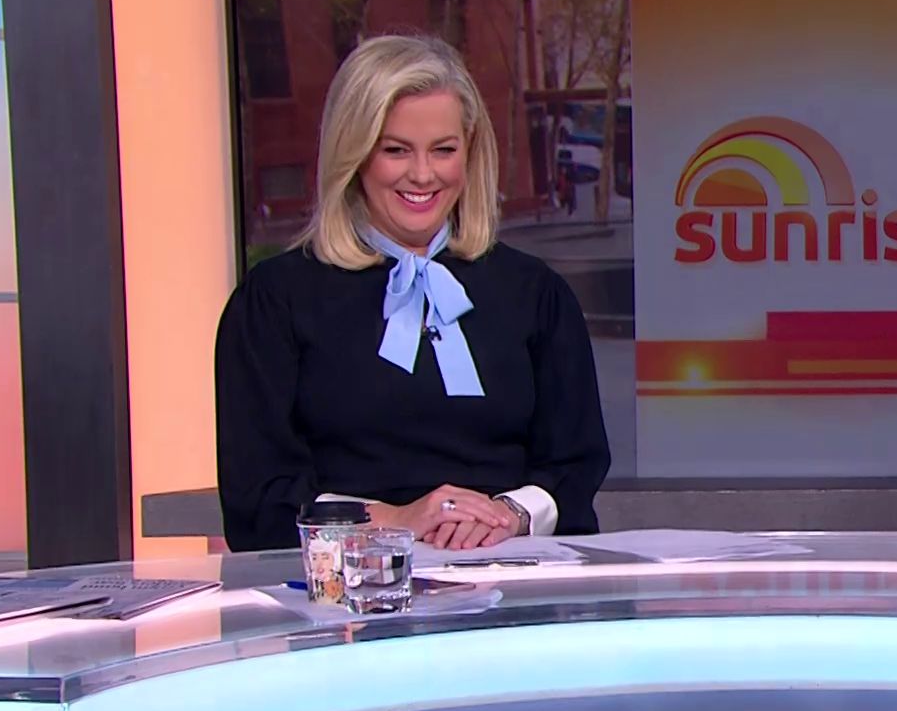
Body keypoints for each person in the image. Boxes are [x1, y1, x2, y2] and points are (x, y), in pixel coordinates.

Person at [216, 34, 611, 553]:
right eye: (396, 150)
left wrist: (508, 515)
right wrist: (396, 520)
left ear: (470, 152)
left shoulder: (536, 293)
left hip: (511, 574)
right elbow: (257, 497)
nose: (423, 175)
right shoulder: (273, 302)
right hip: (347, 586)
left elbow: (574, 467)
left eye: (443, 150)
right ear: (355, 154)